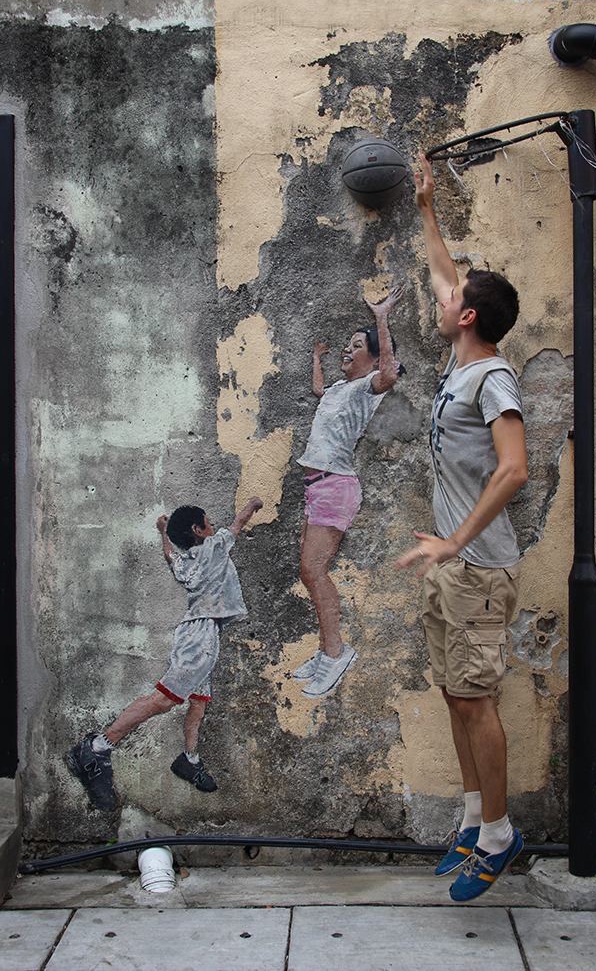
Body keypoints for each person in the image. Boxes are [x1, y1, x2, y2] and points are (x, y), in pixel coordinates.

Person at [396, 153, 528, 901]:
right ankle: (477, 821)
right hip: (452, 568)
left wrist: (453, 540)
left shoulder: (493, 376)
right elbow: (448, 272)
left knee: (476, 699)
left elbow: (514, 470)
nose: (442, 299)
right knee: (455, 693)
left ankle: (502, 835)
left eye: (453, 301)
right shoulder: (460, 354)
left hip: (477, 568)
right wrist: (425, 208)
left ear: (468, 318)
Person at [67, 496, 263, 811]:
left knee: (198, 704)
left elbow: (170, 555)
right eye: (208, 522)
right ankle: (98, 747)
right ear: (199, 530)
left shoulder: (185, 562)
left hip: (201, 633)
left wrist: (162, 531)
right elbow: (237, 524)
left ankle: (189, 758)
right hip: (200, 637)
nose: (213, 526)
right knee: (163, 700)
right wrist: (252, 506)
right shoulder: (213, 548)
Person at [294, 285, 406, 699]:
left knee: (313, 571)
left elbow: (390, 375)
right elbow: (320, 392)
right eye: (348, 345)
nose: (348, 350)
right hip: (316, 487)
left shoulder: (366, 387)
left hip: (335, 487)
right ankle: (327, 652)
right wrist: (317, 361)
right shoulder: (341, 389)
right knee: (309, 570)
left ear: (373, 357)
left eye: (356, 346)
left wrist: (381, 318)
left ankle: (336, 653)